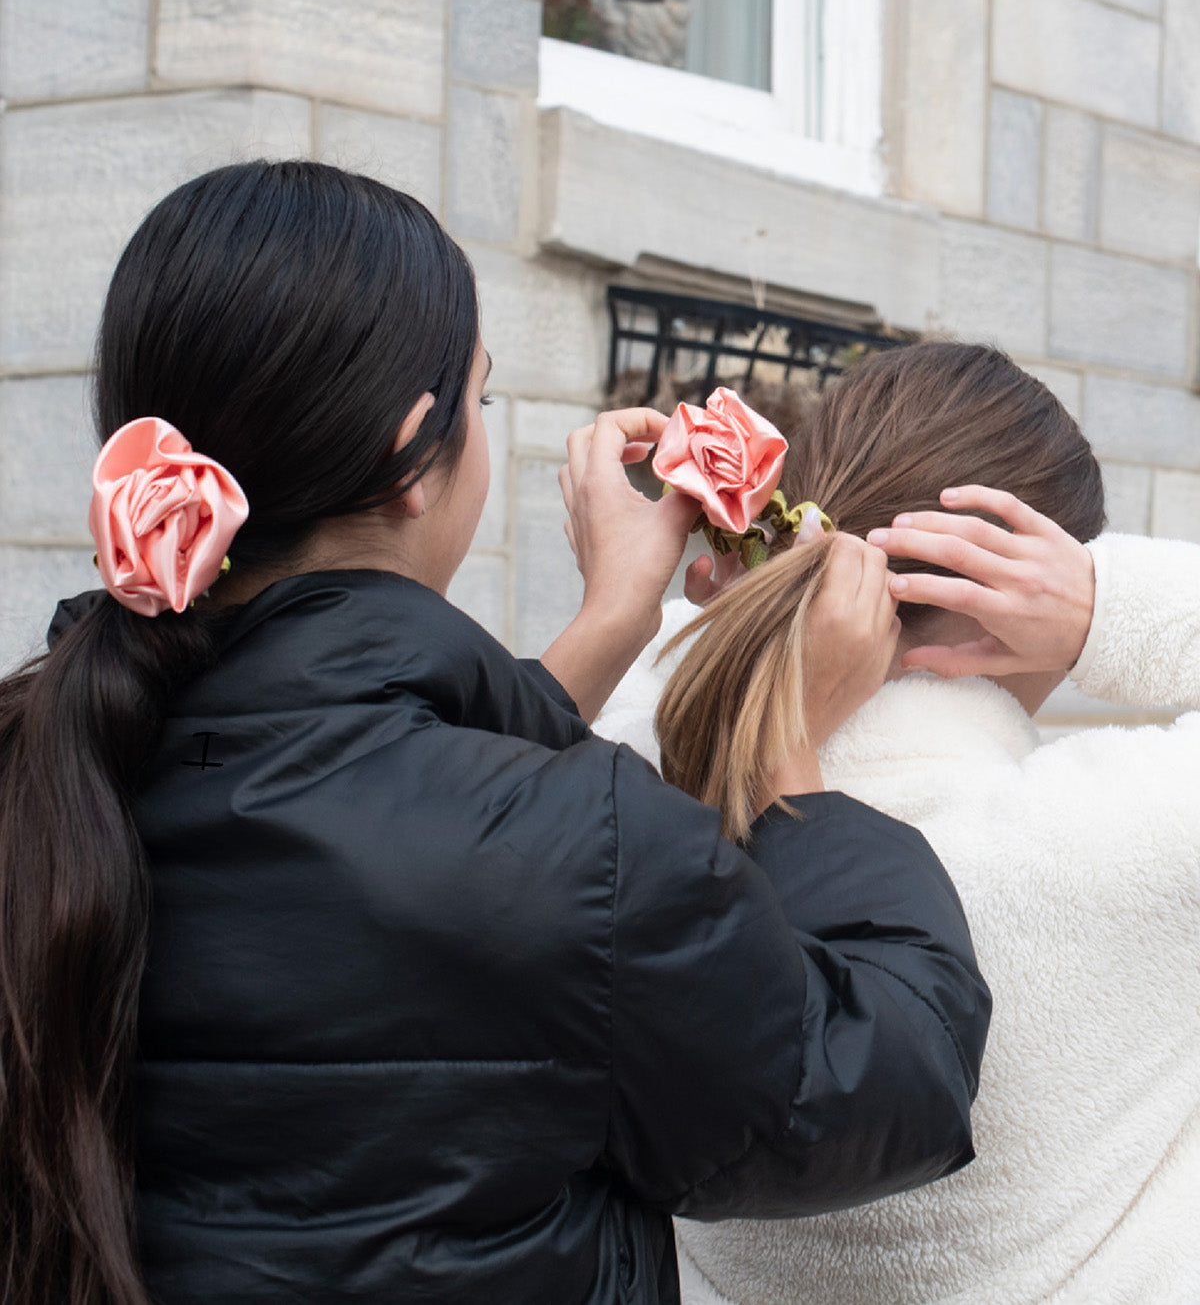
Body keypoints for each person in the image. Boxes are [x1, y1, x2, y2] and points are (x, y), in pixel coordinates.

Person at [0, 164, 990, 1305]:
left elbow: (358, 769)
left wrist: (612, 621)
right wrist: (788, 750)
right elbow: (884, 1080)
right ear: (407, 451)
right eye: (478, 395)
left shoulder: (53, 751)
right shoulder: (590, 849)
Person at [596, 341, 1200, 1305]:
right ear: (1022, 592)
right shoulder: (1118, 835)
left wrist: (756, 602)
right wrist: (1104, 611)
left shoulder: (625, 759)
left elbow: (672, 657)